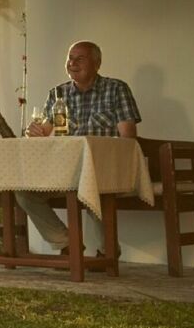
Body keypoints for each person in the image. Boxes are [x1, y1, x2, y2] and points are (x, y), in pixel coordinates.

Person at [17, 40, 142, 255]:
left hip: (104, 170)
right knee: (24, 192)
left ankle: (108, 250)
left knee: (94, 180)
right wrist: (34, 132)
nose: (72, 63)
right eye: (70, 58)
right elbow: (44, 132)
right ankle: (68, 244)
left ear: (97, 63)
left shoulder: (116, 89)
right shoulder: (57, 94)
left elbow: (128, 139)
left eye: (80, 58)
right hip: (66, 171)